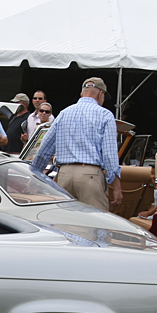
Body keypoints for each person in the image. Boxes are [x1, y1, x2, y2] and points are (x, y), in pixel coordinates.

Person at [30, 76, 122, 211]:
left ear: (82, 93)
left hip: (64, 175)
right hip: (90, 176)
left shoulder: (64, 113)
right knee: (95, 224)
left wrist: (34, 176)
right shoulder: (105, 115)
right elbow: (109, 154)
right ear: (101, 94)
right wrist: (117, 187)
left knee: (65, 224)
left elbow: (44, 148)